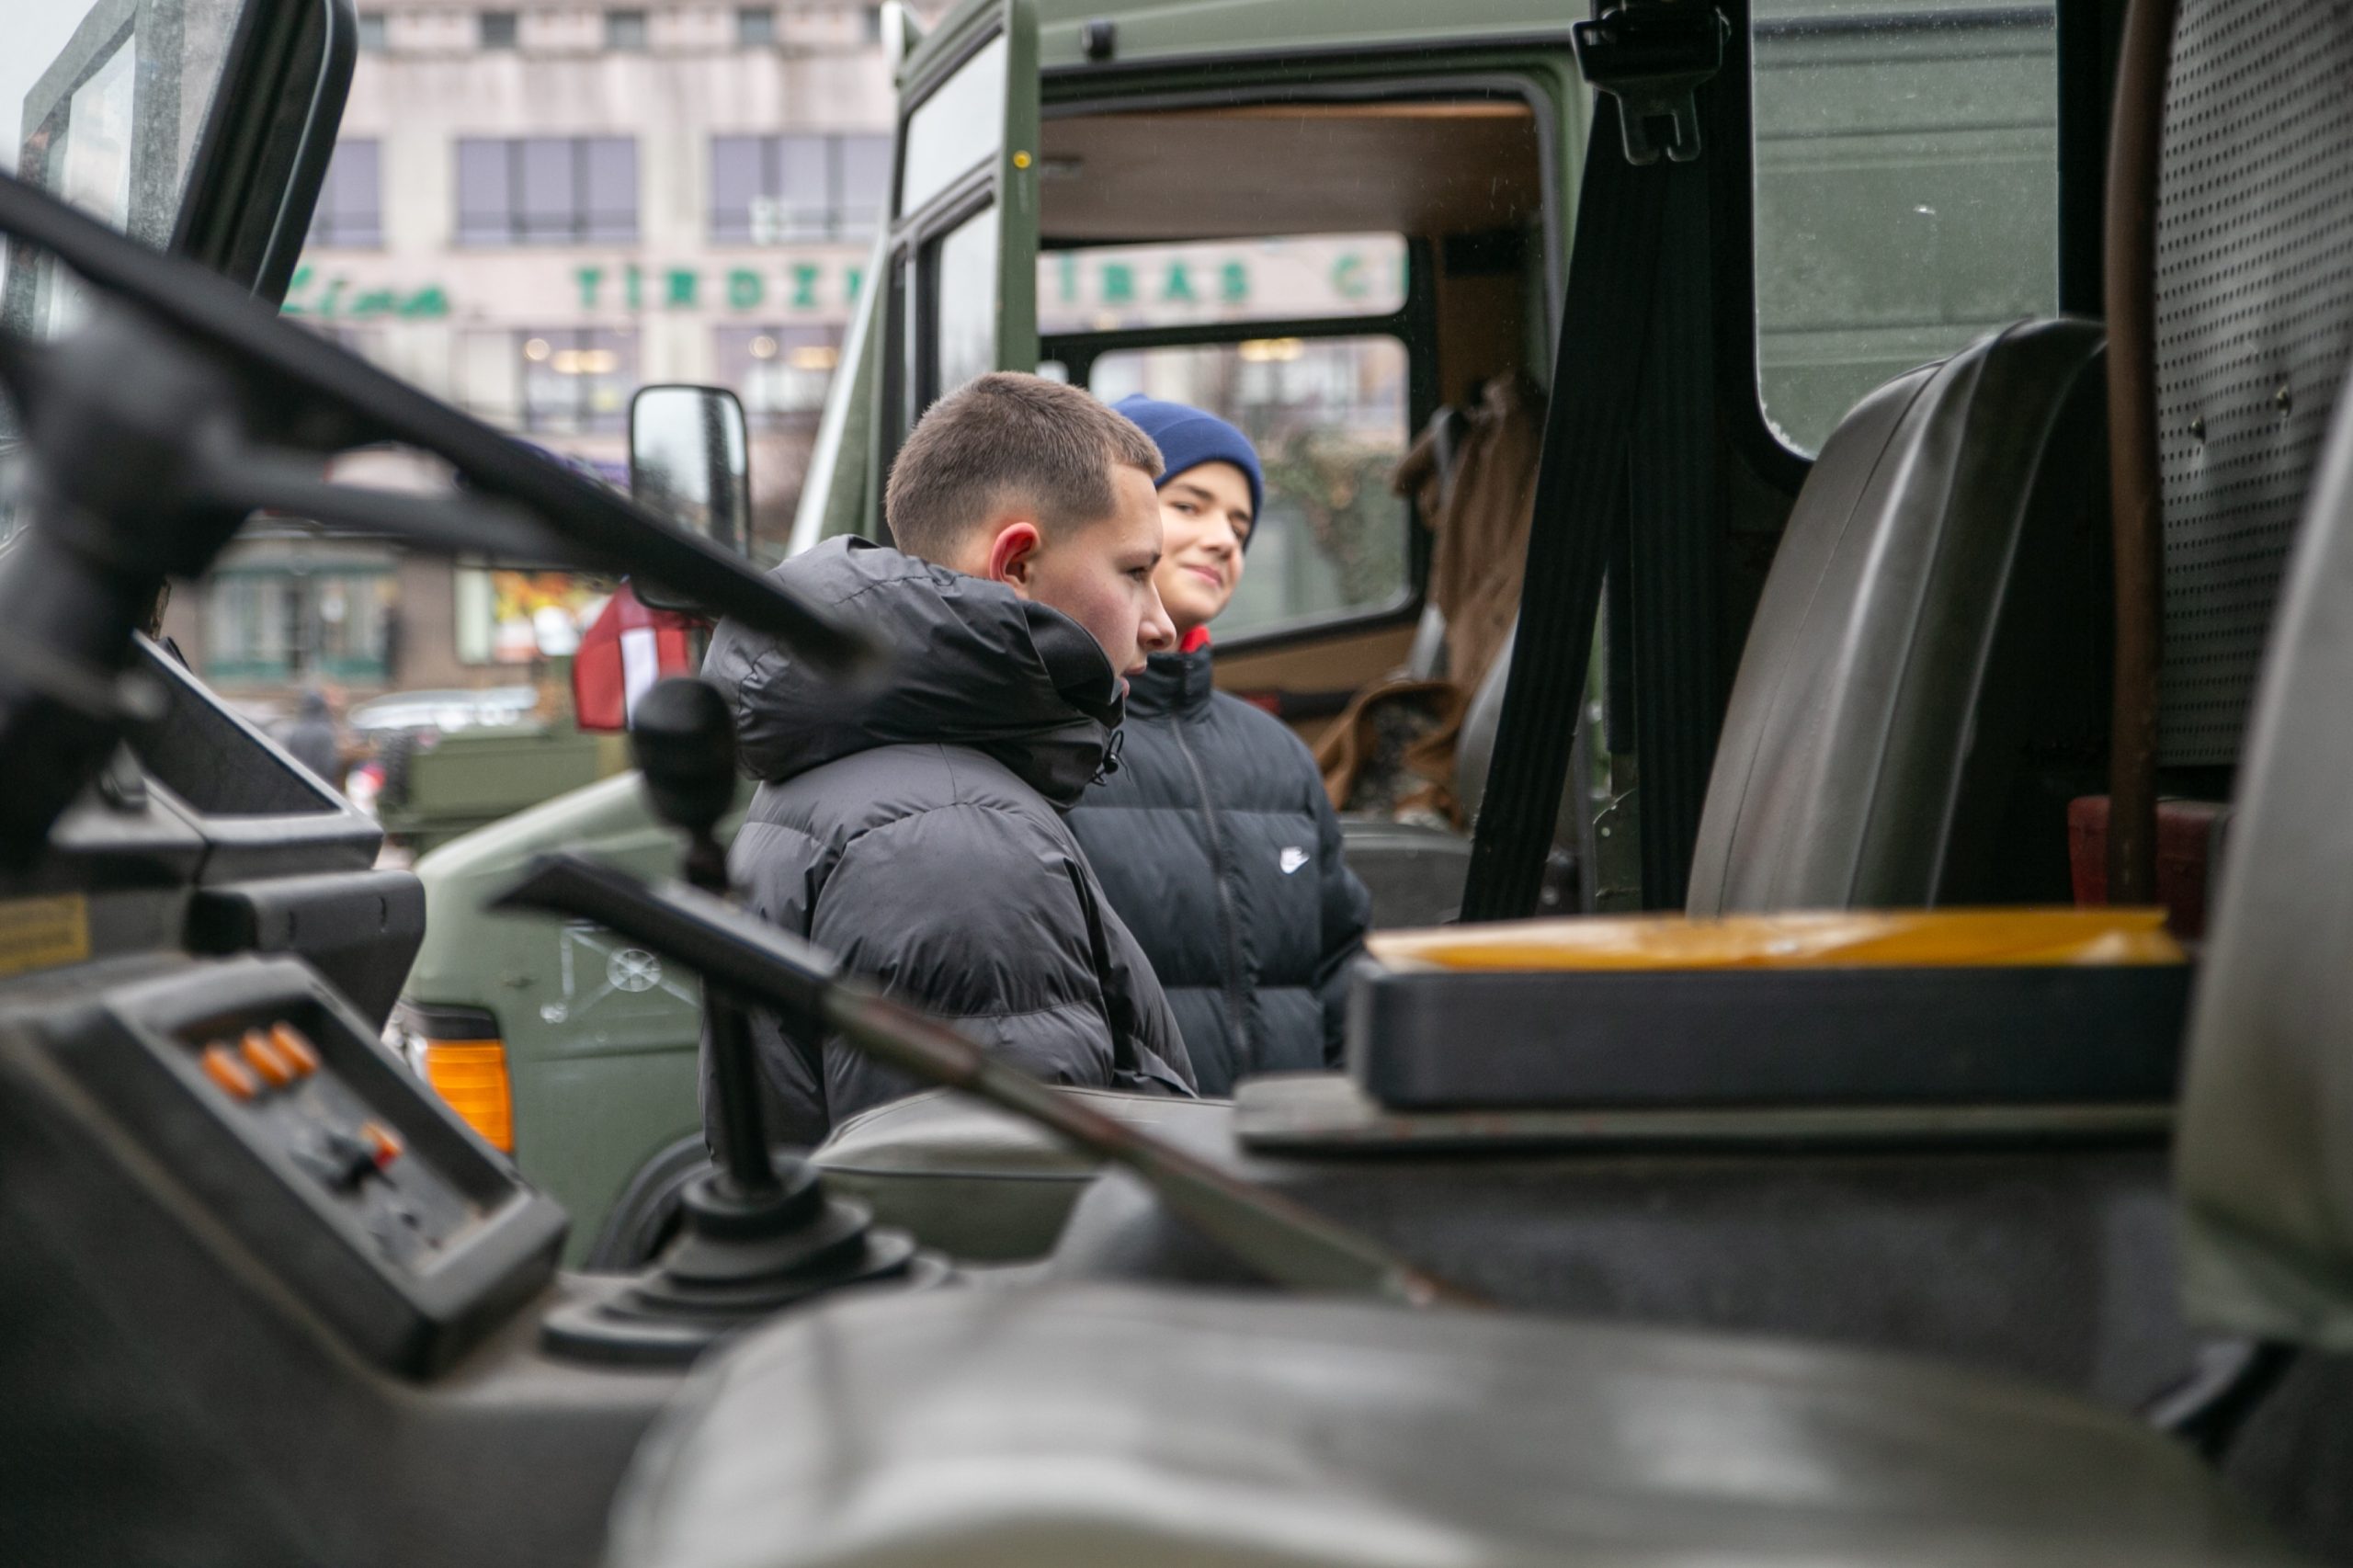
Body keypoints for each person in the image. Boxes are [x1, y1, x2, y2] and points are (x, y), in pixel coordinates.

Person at [699, 372, 1194, 1148]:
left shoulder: (861, 773)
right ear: (1016, 565)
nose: (1162, 624)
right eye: (1134, 572)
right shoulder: (957, 835)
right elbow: (997, 1197)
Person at [1064, 396, 1372, 1096]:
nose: (1224, 540)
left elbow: (1341, 965)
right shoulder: (1055, 742)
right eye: (1189, 506)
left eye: (1239, 525)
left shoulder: (1278, 754)